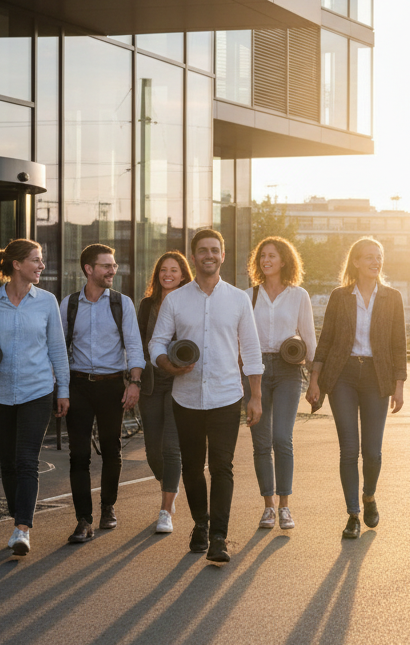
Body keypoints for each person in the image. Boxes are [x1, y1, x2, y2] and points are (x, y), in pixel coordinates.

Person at [149, 229, 263, 563]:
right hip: (186, 398)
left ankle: (218, 537)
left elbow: (252, 350)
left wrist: (255, 396)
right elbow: (156, 342)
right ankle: (200, 522)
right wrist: (166, 364)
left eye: (215, 249)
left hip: (227, 396)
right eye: (202, 250)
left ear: (223, 255)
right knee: (193, 467)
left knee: (222, 467)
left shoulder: (239, 299)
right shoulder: (176, 299)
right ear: (194, 256)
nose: (209, 255)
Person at [0, 238, 70, 557]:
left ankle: (22, 528)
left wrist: (64, 390)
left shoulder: (47, 301)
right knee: (7, 462)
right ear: (17, 264)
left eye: (41, 260)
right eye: (36, 260)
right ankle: (17, 514)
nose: (41, 266)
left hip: (38, 390)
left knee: (26, 460)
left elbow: (58, 350)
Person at [307, 238, 407, 539]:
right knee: (349, 449)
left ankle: (369, 496)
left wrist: (399, 385)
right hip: (343, 376)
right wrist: (315, 379)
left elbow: (399, 345)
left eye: (379, 257)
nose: (375, 262)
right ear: (356, 262)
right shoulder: (340, 297)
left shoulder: (392, 297)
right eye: (369, 257)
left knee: (372, 452)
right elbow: (325, 340)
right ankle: (352, 514)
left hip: (378, 376)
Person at [58, 244, 144, 544]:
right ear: (88, 269)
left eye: (114, 265)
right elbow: (58, 349)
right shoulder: (68, 305)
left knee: (111, 448)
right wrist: (61, 388)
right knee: (78, 454)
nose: (112, 270)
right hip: (78, 384)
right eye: (106, 265)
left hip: (112, 385)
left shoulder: (122, 304)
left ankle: (108, 506)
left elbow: (134, 345)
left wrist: (134, 382)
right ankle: (83, 519)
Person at [245, 236, 316, 531]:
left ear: (284, 260)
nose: (266, 260)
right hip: (256, 370)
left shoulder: (299, 296)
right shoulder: (248, 296)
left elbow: (310, 339)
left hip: (288, 370)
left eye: (272, 255)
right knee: (261, 442)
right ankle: (268, 508)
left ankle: (285, 507)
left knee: (282, 439)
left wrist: (315, 381)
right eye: (262, 256)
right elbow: (242, 340)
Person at [137, 250, 193, 534]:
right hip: (150, 383)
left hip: (180, 383)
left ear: (183, 275)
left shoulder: (191, 304)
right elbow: (137, 343)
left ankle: (165, 509)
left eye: (174, 270)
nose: (168, 274)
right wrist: (132, 379)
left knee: (172, 448)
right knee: (152, 452)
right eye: (163, 269)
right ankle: (171, 485)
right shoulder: (147, 305)